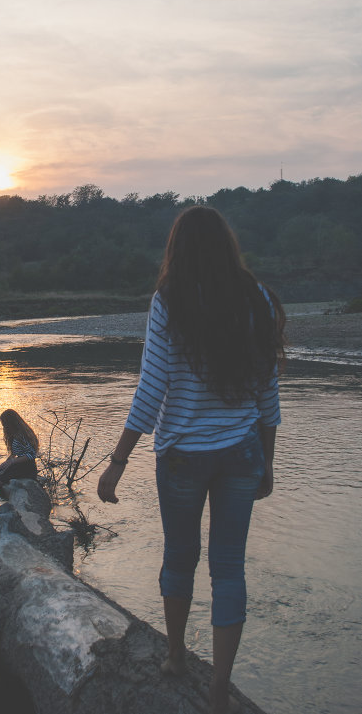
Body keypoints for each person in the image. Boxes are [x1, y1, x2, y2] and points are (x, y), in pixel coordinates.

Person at [97, 206, 285, 714]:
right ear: (228, 245)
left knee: (181, 555)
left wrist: (117, 460)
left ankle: (177, 656)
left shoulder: (169, 301)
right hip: (242, 452)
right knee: (229, 568)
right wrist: (268, 462)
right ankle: (220, 685)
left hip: (182, 457)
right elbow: (268, 392)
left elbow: (150, 388)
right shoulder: (258, 299)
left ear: (177, 249)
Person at [0, 409, 39, 511]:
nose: (3, 426)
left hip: (25, 468)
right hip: (19, 466)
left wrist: (12, 462)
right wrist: (8, 461)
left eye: (4, 423)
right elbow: (17, 453)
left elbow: (31, 454)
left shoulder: (20, 436)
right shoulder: (16, 434)